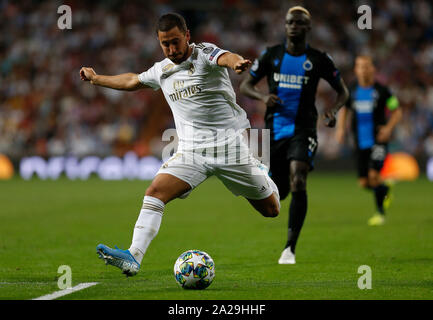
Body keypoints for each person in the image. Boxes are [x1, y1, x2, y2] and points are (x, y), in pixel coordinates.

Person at [79, 13, 281, 276]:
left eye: (176, 41)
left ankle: (260, 170)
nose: (172, 49)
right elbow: (132, 81)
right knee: (155, 192)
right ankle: (134, 256)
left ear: (187, 36)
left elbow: (226, 57)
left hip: (230, 148)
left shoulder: (204, 54)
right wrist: (97, 79)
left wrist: (237, 63)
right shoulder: (162, 70)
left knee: (271, 210)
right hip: (192, 152)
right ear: (159, 42)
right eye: (166, 44)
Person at [240, 6, 349, 264]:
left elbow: (343, 91)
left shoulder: (320, 59)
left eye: (299, 22)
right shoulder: (271, 55)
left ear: (308, 28)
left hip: (304, 129)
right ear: (285, 25)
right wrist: (263, 96)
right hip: (275, 132)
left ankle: (289, 248)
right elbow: (246, 85)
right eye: (290, 22)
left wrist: (333, 111)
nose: (293, 26)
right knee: (280, 192)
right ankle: (271, 192)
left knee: (299, 178)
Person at [335, 55, 402, 226]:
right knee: (364, 183)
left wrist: (388, 129)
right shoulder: (352, 90)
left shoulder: (382, 90)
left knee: (373, 175)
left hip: (378, 140)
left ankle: (380, 214)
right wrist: (341, 129)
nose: (363, 69)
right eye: (360, 66)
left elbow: (397, 111)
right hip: (360, 141)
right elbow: (344, 110)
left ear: (372, 69)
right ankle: (385, 189)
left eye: (366, 66)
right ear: (356, 70)